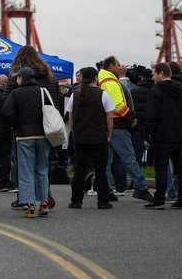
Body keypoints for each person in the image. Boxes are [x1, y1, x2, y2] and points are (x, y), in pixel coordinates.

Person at [144, 63, 182, 210]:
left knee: (161, 168)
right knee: (180, 168)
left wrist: (147, 135)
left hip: (162, 135)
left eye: (153, 74)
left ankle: (159, 200)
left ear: (161, 73)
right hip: (181, 136)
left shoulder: (156, 91)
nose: (152, 77)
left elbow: (151, 115)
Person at [98, 56, 153, 202]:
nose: (120, 68)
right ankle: (141, 188)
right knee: (129, 158)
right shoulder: (110, 81)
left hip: (105, 124)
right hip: (117, 125)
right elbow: (116, 104)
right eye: (117, 65)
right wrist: (131, 117)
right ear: (110, 66)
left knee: (106, 161)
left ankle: (107, 190)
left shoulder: (102, 79)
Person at [1, 67, 51, 218]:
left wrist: (17, 124)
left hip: (24, 135)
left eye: (18, 78)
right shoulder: (43, 92)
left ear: (22, 78)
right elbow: (52, 109)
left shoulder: (16, 93)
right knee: (42, 169)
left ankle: (30, 205)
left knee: (26, 170)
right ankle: (43, 202)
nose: (17, 80)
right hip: (43, 135)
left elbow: (6, 112)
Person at [66, 67, 114, 209]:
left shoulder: (75, 95)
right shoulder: (103, 94)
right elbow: (109, 117)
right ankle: (103, 200)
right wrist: (108, 135)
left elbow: (70, 116)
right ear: (95, 78)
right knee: (100, 169)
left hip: (80, 137)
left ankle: (76, 200)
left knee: (79, 169)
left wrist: (75, 132)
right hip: (99, 137)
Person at [131, 69, 154, 167]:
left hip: (138, 126)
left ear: (142, 77)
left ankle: (136, 178)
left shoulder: (134, 90)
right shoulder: (156, 89)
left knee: (137, 153)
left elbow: (131, 108)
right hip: (153, 126)